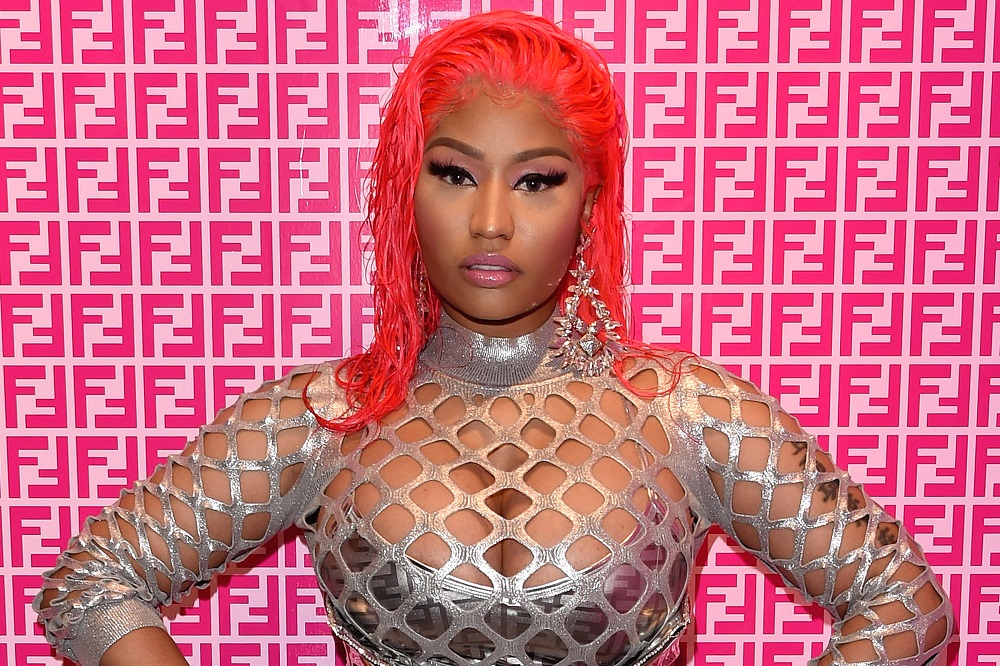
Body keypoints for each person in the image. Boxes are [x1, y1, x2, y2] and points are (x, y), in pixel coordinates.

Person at [36, 11, 953, 666]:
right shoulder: (324, 418)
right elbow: (91, 585)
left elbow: (903, 604)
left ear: (590, 200)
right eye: (453, 173)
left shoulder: (687, 413)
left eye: (536, 181)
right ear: (406, 189)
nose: (489, 222)